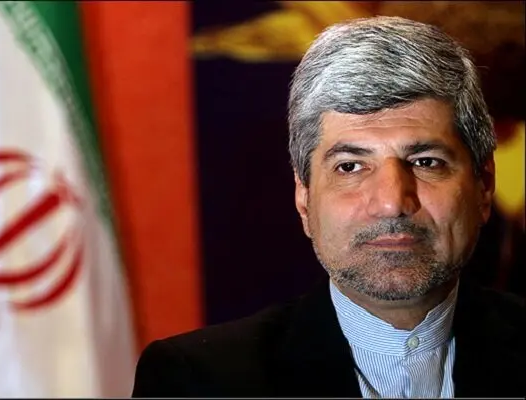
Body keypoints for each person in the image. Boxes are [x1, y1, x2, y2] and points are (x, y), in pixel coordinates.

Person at [131, 16, 524, 398]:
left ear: (484, 187)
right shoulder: (196, 382)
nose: (391, 203)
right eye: (350, 166)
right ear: (304, 198)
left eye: (425, 162)